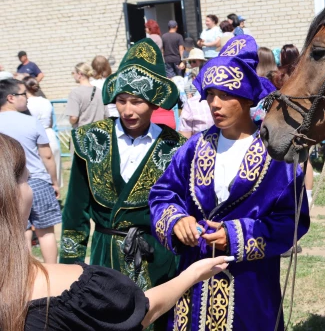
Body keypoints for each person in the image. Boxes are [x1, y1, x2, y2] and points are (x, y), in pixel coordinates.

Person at [149, 35, 310, 331]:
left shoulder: (276, 156)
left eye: (226, 95)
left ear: (248, 98)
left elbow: (293, 221)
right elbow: (162, 194)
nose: (215, 104)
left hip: (251, 287)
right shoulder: (194, 148)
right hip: (193, 284)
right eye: (210, 95)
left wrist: (235, 236)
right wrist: (175, 220)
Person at [0, 133, 231, 331]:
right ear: (11, 194)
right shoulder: (76, 286)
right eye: (26, 180)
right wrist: (192, 275)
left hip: (154, 256)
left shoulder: (175, 143)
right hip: (108, 249)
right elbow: (139, 313)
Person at [59, 38, 186, 330]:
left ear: (154, 103)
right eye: (121, 100)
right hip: (107, 255)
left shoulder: (175, 146)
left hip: (157, 255)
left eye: (137, 101)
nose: (128, 110)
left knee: (157, 321)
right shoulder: (91, 140)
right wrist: (69, 267)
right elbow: (75, 212)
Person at [0, 79, 61, 263]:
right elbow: (47, 156)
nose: (26, 98)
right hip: (37, 181)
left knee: (20, 232)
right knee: (46, 232)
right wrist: (54, 181)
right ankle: (52, 273)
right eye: (22, 94)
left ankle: (24, 274)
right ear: (11, 98)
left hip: (8, 183)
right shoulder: (31, 121)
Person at [24, 76, 61, 187]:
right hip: (49, 133)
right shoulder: (46, 101)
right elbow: (50, 121)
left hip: (35, 136)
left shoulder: (26, 104)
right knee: (53, 164)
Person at [65, 62, 105, 129]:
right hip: (99, 133)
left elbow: (73, 118)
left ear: (80, 74)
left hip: (83, 133)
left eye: (73, 73)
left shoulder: (75, 93)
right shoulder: (100, 91)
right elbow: (106, 115)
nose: (73, 76)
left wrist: (70, 121)